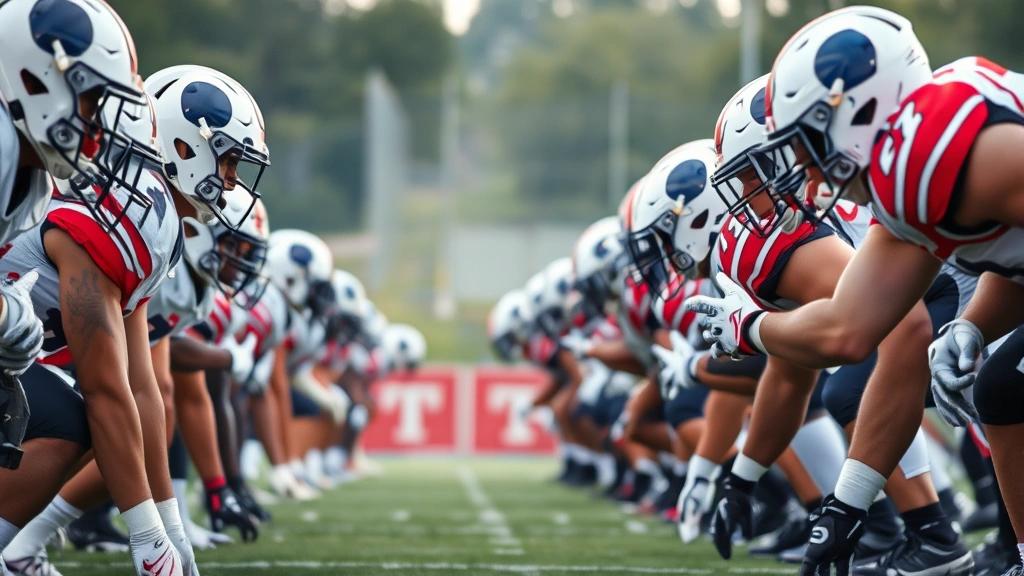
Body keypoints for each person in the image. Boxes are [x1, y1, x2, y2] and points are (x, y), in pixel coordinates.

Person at [683, 6, 1010, 574]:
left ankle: (950, 529)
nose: (805, 173)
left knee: (989, 385)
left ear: (857, 109)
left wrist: (747, 330)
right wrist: (844, 509)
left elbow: (861, 333)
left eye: (804, 147)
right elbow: (841, 336)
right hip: (969, 287)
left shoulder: (933, 152)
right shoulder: (898, 184)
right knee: (1001, 388)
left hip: (948, 283)